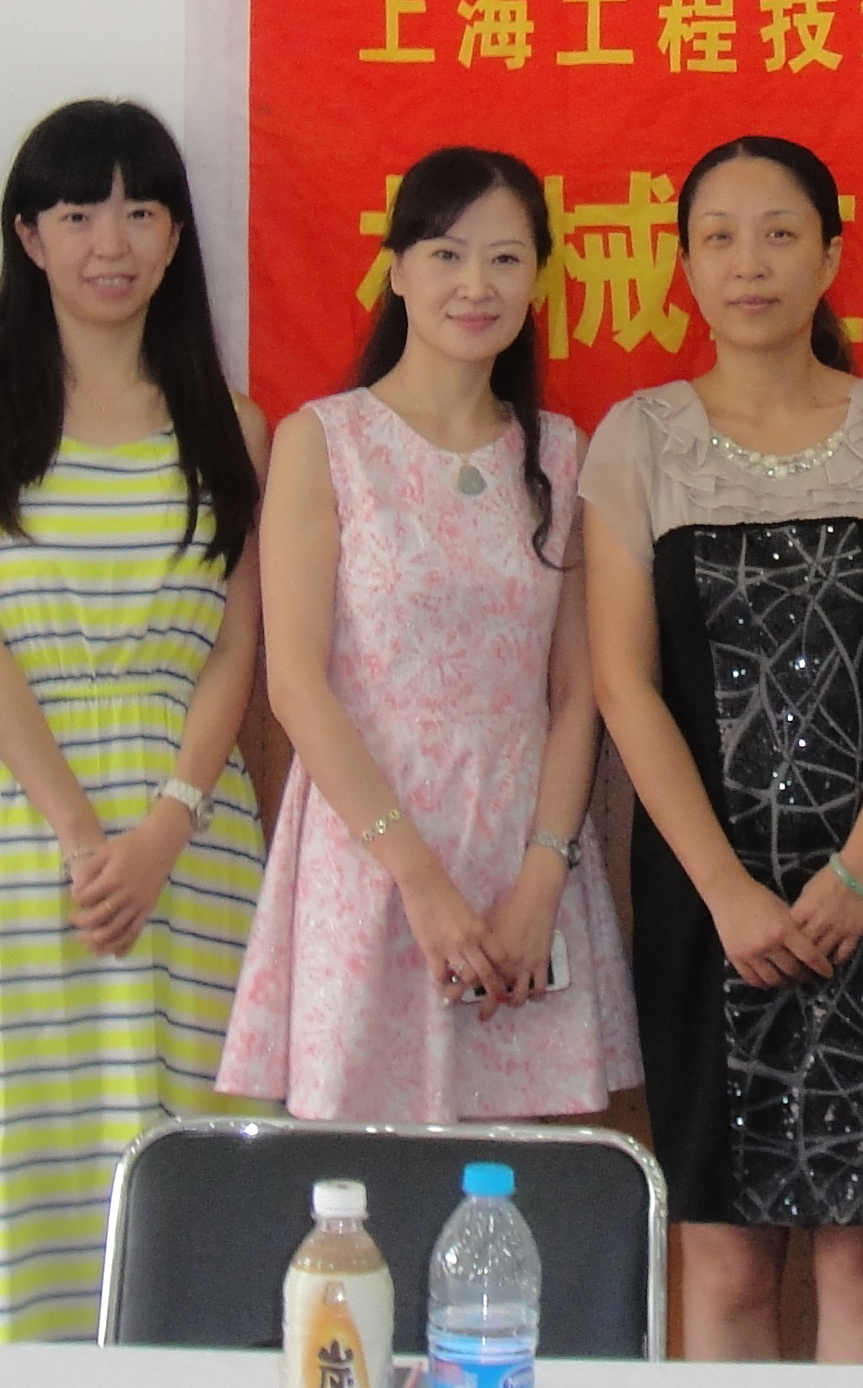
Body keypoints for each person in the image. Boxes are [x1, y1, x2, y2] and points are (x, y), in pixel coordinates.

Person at [581, 135, 863, 1363]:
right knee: (723, 1248)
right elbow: (624, 683)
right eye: (718, 237)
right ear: (684, 264)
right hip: (709, 893)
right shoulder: (638, 436)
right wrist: (725, 892)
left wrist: (857, 873)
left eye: (779, 233)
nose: (748, 262)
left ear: (832, 256)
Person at [0, 100, 275, 1345]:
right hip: (19, 831)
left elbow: (235, 648)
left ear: (176, 236)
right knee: (23, 1146)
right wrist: (79, 834)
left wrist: (164, 827)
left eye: (142, 211)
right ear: (29, 236)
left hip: (192, 842)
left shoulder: (235, 421)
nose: (113, 242)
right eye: (78, 212)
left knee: (192, 1141)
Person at [216, 146, 638, 1122]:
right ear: (397, 269)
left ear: (537, 281)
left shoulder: (562, 452)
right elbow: (296, 685)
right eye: (447, 254)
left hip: (522, 856)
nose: (475, 285)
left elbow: (577, 692)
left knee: (516, 1179)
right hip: (371, 848)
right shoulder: (324, 441)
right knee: (362, 1169)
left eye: (506, 259)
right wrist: (417, 878)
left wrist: (543, 875)